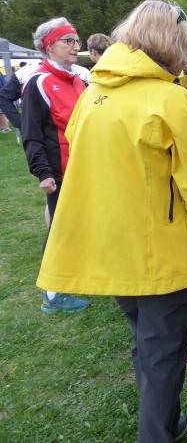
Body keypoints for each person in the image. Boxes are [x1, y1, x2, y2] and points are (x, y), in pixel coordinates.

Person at [36, 0, 187, 441]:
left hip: (110, 244)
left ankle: (166, 419)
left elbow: (79, 150)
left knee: (149, 342)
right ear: (173, 44)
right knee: (162, 353)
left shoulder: (92, 94)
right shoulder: (172, 99)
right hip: (160, 252)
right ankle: (157, 431)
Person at [21, 17, 92, 315]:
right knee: (61, 230)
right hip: (61, 171)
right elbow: (32, 133)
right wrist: (43, 172)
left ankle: (78, 275)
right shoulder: (38, 82)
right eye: (68, 41)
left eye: (77, 40)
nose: (76, 46)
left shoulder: (78, 79)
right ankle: (52, 295)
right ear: (49, 46)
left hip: (85, 168)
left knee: (81, 225)